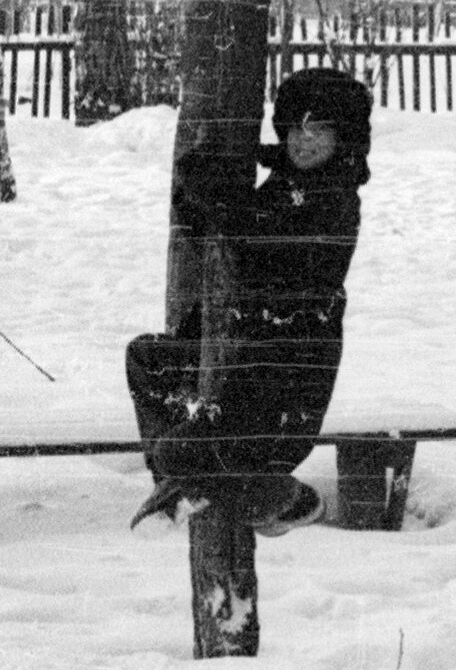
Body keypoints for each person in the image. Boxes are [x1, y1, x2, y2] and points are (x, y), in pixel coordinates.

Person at [124, 67, 373, 531]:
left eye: (318, 129)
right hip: (239, 368)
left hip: (279, 387)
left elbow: (268, 251)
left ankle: (279, 496)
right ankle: (190, 484)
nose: (303, 140)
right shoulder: (284, 185)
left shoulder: (334, 199)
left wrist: (224, 204)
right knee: (147, 360)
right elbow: (233, 237)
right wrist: (204, 199)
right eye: (295, 127)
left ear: (345, 137)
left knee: (181, 451)